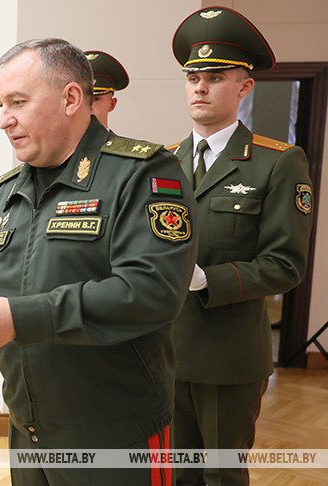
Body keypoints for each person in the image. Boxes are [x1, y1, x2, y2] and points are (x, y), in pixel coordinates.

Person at [0, 38, 198, 485]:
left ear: (71, 98)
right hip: (28, 430)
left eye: (18, 102)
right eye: (0, 104)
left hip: (115, 435)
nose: (4, 120)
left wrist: (20, 318)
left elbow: (151, 291)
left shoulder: (142, 173)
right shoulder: (2, 193)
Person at [167, 7, 314, 485]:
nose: (200, 88)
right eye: (192, 77)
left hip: (227, 355)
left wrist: (207, 278)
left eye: (215, 76)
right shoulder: (162, 163)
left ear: (244, 87)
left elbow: (285, 264)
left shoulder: (277, 163)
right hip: (164, 348)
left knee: (222, 476)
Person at [84, 50, 128, 129]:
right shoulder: (57, 141)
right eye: (81, 99)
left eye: (96, 99)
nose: (88, 106)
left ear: (111, 104)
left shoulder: (122, 142)